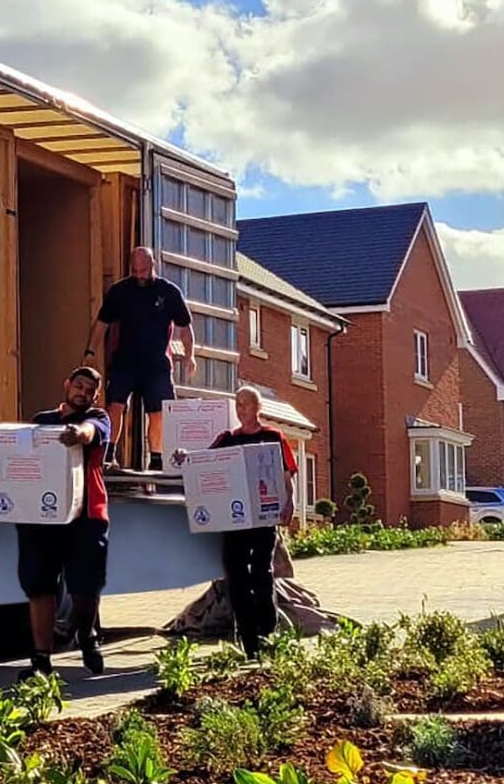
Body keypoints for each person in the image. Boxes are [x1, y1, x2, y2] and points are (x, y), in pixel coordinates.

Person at [174, 385, 298, 659]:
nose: (242, 410)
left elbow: (287, 475)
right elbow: (204, 462)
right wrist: (185, 456)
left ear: (258, 408)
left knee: (262, 576)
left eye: (248, 405)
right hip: (235, 523)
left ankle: (268, 636)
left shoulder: (273, 436)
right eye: (239, 405)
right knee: (237, 578)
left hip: (263, 521)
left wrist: (290, 503)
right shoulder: (227, 439)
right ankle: (248, 642)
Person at [17, 365, 111, 679]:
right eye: (79, 387)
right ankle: (41, 661)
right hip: (41, 519)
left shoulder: (99, 418)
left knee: (85, 587)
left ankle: (87, 636)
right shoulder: (41, 422)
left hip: (86, 517)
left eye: (89, 391)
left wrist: (76, 435)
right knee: (39, 585)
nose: (82, 393)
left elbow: (90, 432)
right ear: (67, 384)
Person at [85, 247, 194, 470]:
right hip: (125, 360)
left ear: (153, 266)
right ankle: (109, 453)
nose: (140, 276)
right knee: (115, 405)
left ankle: (155, 459)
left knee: (158, 412)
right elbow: (102, 323)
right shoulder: (120, 291)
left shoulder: (169, 292)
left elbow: (185, 327)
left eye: (144, 271)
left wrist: (190, 355)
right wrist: (90, 351)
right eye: (135, 271)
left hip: (156, 363)